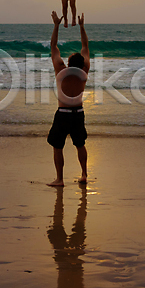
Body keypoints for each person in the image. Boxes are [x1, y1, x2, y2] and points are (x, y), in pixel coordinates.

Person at [47, 10, 90, 187]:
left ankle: (60, 179)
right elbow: (86, 47)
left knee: (58, 146)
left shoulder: (60, 70)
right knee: (80, 144)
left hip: (63, 113)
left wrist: (56, 25)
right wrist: (81, 27)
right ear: (82, 64)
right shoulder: (84, 72)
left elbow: (53, 47)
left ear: (68, 63)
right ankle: (84, 175)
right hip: (78, 113)